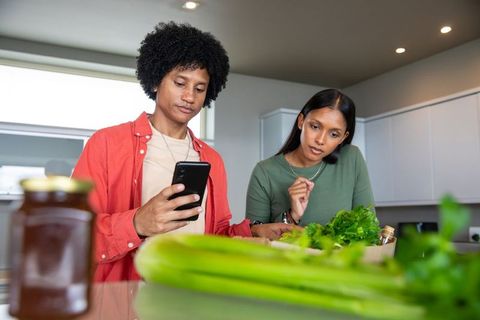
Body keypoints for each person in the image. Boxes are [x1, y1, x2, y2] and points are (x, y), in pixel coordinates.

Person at [72, 21, 294, 282]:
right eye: (180, 83)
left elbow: (215, 237)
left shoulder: (212, 160)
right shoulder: (107, 143)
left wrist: (255, 232)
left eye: (200, 88)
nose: (190, 96)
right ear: (156, 81)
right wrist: (137, 224)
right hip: (128, 300)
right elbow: (73, 235)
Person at [246, 89, 375, 226]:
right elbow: (254, 237)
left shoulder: (351, 158)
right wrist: (292, 215)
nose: (320, 140)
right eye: (315, 126)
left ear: (343, 137)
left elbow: (368, 226)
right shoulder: (264, 172)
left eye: (334, 134)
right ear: (301, 121)